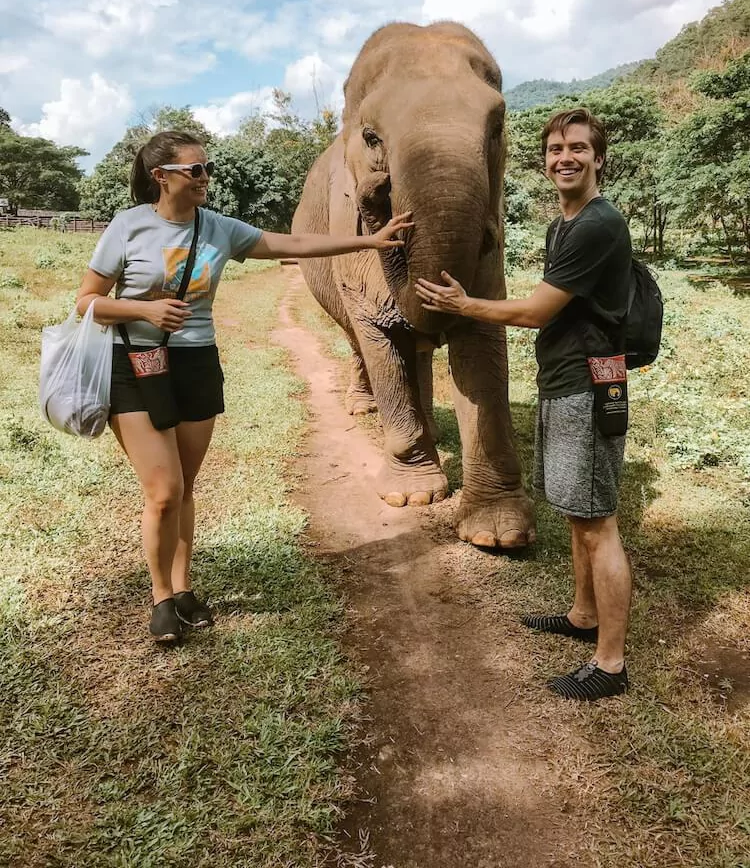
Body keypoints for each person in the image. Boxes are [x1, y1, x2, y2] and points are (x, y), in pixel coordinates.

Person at [76, 130, 412, 645]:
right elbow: (86, 302)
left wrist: (369, 239)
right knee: (163, 491)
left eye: (206, 168)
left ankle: (185, 589)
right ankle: (161, 597)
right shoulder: (128, 227)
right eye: (194, 170)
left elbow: (293, 243)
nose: (205, 178)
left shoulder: (218, 229)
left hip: (195, 365)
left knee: (186, 486)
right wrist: (144, 308)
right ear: (160, 177)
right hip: (133, 364)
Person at [415, 108, 633, 701]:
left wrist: (465, 306)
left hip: (588, 388)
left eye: (579, 149)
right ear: (543, 160)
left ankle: (610, 665)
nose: (566, 157)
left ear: (599, 157)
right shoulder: (565, 224)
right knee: (576, 512)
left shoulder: (596, 225)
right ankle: (582, 615)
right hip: (566, 382)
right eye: (556, 149)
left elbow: (536, 311)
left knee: (597, 522)